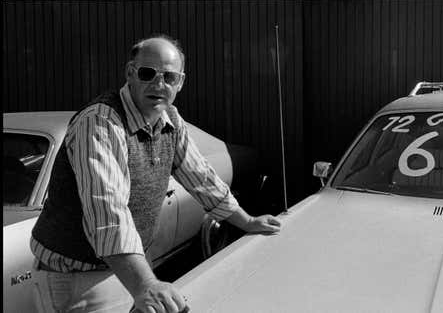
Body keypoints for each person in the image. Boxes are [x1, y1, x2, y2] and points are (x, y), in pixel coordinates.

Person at [30, 34, 282, 313]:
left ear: (181, 82)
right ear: (130, 73)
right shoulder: (100, 123)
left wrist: (246, 221)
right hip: (76, 279)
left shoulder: (170, 120)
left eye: (169, 77)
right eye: (148, 73)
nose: (158, 84)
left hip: (126, 268)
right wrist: (145, 285)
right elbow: (108, 211)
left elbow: (202, 178)